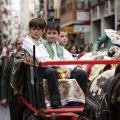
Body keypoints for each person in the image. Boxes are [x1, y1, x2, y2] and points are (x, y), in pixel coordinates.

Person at [37, 22, 88, 95]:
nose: (51, 35)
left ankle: (82, 99)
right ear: (46, 34)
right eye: (49, 33)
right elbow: (44, 60)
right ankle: (56, 99)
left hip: (63, 70)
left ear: (57, 34)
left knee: (81, 73)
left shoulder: (60, 48)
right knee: (52, 72)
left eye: (54, 33)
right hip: (50, 71)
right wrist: (59, 65)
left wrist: (69, 69)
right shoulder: (41, 46)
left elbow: (69, 59)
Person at [22, 18, 62, 108]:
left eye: (38, 29)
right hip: (35, 69)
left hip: (47, 65)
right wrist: (55, 64)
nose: (36, 31)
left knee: (78, 73)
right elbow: (40, 57)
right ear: (30, 30)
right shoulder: (27, 41)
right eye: (33, 29)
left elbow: (54, 54)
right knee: (51, 71)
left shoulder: (43, 41)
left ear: (42, 30)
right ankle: (56, 100)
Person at [0, 36, 25, 120]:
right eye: (19, 44)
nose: (21, 46)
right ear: (15, 46)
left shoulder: (31, 58)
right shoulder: (11, 59)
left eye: (23, 43)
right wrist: (3, 96)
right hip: (15, 97)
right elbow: (5, 77)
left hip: (29, 97)